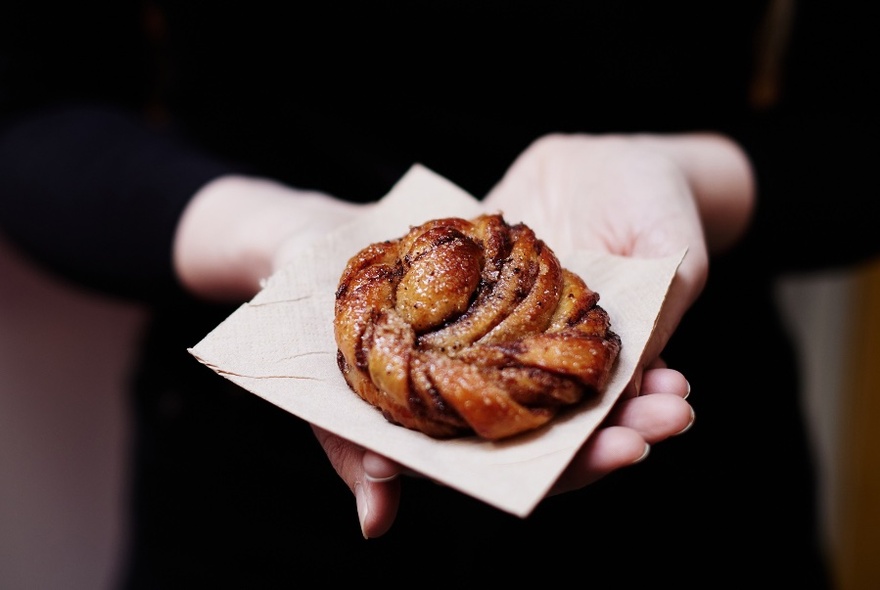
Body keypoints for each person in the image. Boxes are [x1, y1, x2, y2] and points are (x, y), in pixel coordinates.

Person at [0, 1, 875, 588]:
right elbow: (32, 111)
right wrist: (272, 233)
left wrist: (691, 177)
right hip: (254, 463)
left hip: (692, 499)